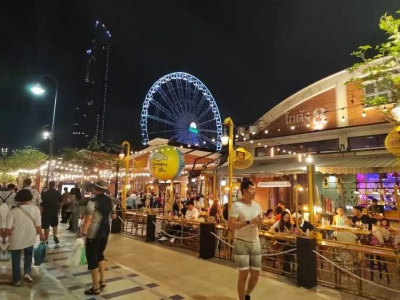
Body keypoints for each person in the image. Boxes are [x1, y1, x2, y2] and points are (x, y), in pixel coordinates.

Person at [81, 180, 116, 295]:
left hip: (93, 233)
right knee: (101, 255)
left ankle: (95, 287)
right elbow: (114, 216)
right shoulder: (110, 200)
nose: (91, 189)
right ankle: (103, 280)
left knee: (92, 258)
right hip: (105, 232)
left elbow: (89, 219)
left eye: (93, 187)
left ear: (96, 189)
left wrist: (84, 232)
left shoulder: (92, 201)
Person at [229, 180, 262, 300]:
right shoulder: (237, 206)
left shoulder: (257, 206)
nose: (254, 192)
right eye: (252, 189)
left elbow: (259, 223)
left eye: (254, 189)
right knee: (243, 274)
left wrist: (260, 223)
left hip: (255, 242)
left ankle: (247, 294)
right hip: (241, 242)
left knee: (256, 274)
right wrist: (249, 222)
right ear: (244, 191)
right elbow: (231, 225)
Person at [6, 189, 46, 285]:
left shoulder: (13, 211)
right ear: (30, 198)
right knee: (28, 255)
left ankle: (16, 280)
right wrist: (41, 234)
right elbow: (38, 225)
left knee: (16, 258)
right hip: (30, 236)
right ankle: (27, 273)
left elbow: (9, 230)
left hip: (16, 238)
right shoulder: (35, 209)